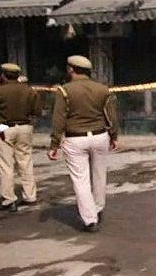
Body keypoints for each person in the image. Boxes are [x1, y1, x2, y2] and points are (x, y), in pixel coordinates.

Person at [49, 56, 119, 233]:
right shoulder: (102, 90)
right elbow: (110, 116)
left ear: (71, 69)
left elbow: (59, 119)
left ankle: (89, 219)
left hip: (75, 138)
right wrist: (114, 135)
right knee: (99, 175)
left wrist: (54, 143)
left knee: (81, 179)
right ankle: (98, 207)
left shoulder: (64, 91)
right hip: (100, 136)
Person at [0, 63, 40, 211]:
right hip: (25, 126)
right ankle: (30, 195)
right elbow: (37, 110)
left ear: (3, 75)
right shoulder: (29, 90)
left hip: (4, 128)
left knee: (4, 164)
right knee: (25, 162)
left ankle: (8, 199)